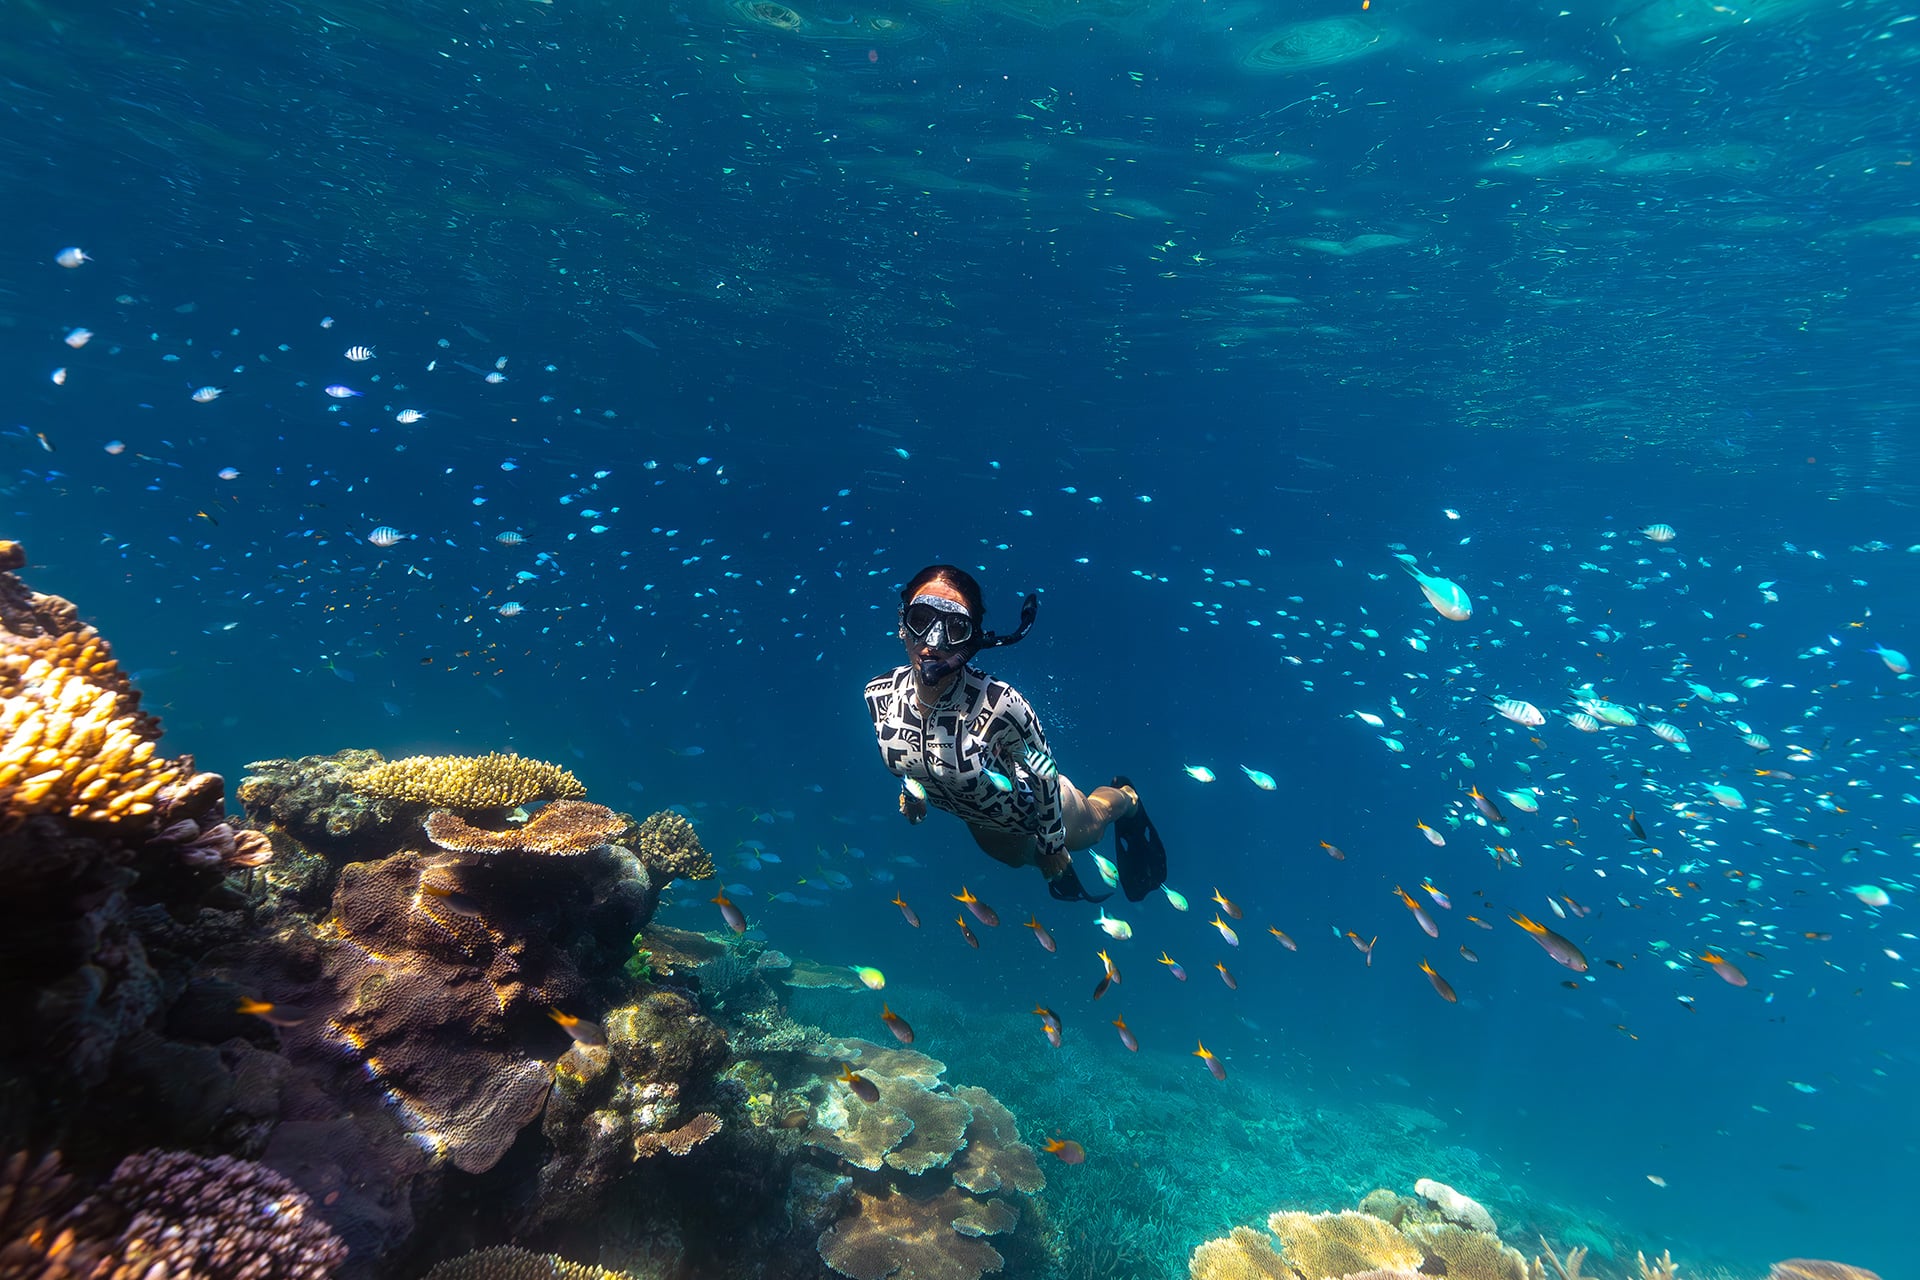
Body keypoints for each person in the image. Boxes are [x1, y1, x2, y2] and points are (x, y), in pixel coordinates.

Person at [864, 564, 1167, 902]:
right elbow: (912, 754)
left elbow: (1044, 773)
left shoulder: (1001, 703)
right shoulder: (878, 694)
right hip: (983, 820)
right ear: (902, 624)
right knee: (1009, 858)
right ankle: (1045, 860)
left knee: (1092, 828)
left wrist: (1052, 844)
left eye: (955, 627)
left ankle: (1126, 798)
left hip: (1041, 809)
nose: (933, 642)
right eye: (921, 620)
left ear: (973, 640)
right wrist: (914, 795)